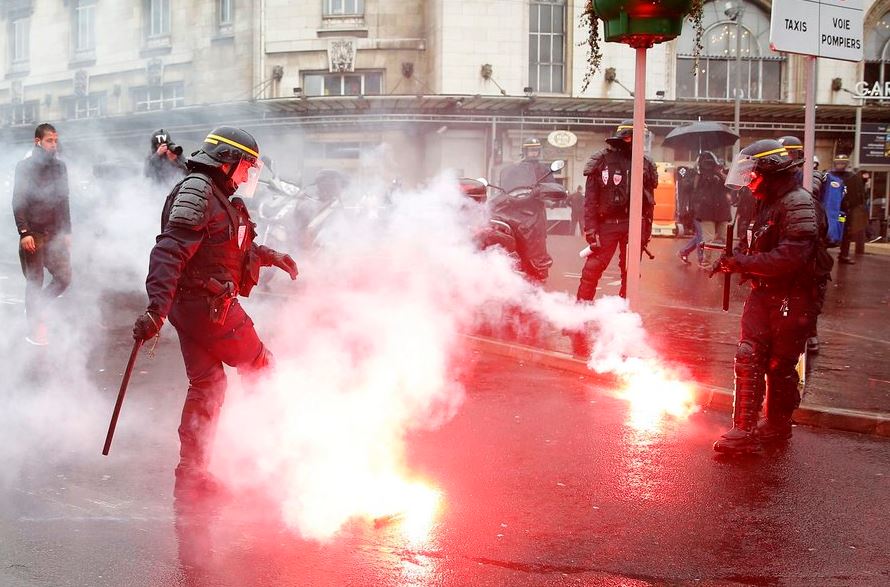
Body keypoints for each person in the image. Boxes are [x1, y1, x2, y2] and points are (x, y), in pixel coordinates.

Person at [132, 126, 298, 501]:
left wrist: (270, 256)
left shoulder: (217, 195)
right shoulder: (198, 191)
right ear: (226, 160)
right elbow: (169, 251)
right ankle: (277, 457)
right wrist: (156, 309)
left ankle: (192, 473)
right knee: (261, 367)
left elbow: (227, 249)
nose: (246, 176)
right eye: (245, 167)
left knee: (208, 386)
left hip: (197, 308)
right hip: (207, 309)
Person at [711, 139, 831, 454]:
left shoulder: (798, 203)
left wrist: (742, 264)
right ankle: (744, 430)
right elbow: (759, 246)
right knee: (748, 353)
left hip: (794, 297)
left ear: (770, 171)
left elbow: (790, 258)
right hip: (765, 293)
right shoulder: (768, 202)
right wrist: (731, 259)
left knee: (779, 365)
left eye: (752, 174)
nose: (749, 181)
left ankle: (778, 425)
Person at [577, 120, 657, 301]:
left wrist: (647, 231)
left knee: (630, 272)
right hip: (608, 224)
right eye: (637, 137)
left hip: (635, 225)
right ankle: (580, 311)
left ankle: (624, 311)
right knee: (593, 269)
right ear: (627, 136)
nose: (640, 142)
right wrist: (591, 229)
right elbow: (590, 200)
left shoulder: (646, 164)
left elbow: (649, 201)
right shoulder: (601, 160)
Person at [12, 123, 72, 345]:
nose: (54, 144)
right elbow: (18, 201)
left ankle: (38, 308)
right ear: (38, 141)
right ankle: (34, 329)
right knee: (34, 281)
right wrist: (24, 232)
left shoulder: (60, 167)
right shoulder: (24, 167)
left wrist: (67, 231)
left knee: (65, 277)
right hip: (33, 233)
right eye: (49, 140)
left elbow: (64, 199)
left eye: (55, 140)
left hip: (54, 233)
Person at [777, 135, 829, 353]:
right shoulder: (796, 180)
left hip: (808, 246)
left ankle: (808, 333)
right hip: (801, 244)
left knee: (808, 291)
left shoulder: (807, 182)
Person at [689, 151, 731, 268]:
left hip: (722, 211)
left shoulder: (721, 174)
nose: (709, 166)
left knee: (724, 238)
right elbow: (695, 189)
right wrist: (701, 174)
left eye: (711, 163)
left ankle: (725, 262)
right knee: (709, 239)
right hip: (706, 212)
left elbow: (730, 186)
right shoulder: (700, 175)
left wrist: (719, 173)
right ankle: (706, 262)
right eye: (706, 163)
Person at [827, 154, 867, 264]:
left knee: (845, 231)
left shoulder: (852, 177)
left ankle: (844, 254)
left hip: (844, 211)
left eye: (842, 163)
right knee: (827, 230)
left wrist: (853, 207)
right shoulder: (828, 175)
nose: (840, 165)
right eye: (838, 163)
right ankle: (823, 254)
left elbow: (858, 193)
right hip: (831, 210)